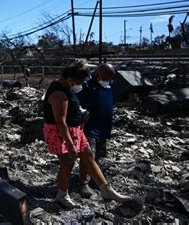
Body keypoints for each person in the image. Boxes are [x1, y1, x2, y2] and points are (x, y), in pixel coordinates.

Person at [43, 60, 130, 208]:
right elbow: (60, 122)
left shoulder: (67, 86)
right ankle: (62, 194)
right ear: (71, 80)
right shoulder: (58, 94)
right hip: (61, 133)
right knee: (68, 162)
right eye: (80, 82)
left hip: (75, 130)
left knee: (89, 156)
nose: (82, 85)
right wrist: (70, 145)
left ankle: (106, 189)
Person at [77, 63, 116, 198]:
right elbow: (80, 107)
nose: (108, 81)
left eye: (110, 79)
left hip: (103, 127)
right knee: (88, 156)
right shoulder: (87, 86)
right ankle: (83, 182)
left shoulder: (109, 84)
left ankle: (95, 178)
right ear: (98, 75)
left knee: (98, 155)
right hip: (90, 127)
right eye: (106, 78)